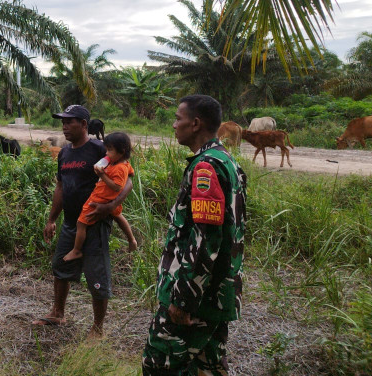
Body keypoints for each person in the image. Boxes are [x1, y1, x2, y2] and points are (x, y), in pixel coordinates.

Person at [142, 94, 247, 375]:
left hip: (196, 299)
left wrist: (184, 299)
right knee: (207, 368)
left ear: (196, 123)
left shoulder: (206, 167)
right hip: (215, 295)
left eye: (178, 119)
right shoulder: (226, 161)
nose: (174, 125)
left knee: (158, 365)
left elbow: (205, 240)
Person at [32, 105, 129, 337]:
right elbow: (60, 186)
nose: (64, 126)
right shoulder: (64, 153)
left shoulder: (99, 150)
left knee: (97, 275)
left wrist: (110, 207)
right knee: (61, 266)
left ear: (84, 125)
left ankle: (97, 329)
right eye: (62, 122)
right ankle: (57, 312)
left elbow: (127, 179)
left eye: (70, 121)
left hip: (95, 224)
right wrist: (51, 219)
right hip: (70, 223)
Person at [63, 131, 137, 261]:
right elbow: (131, 172)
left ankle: (76, 250)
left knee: (81, 223)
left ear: (121, 151)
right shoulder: (123, 164)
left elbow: (117, 187)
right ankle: (132, 239)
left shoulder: (119, 168)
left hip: (100, 198)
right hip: (110, 199)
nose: (106, 153)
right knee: (118, 217)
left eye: (109, 150)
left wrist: (102, 175)